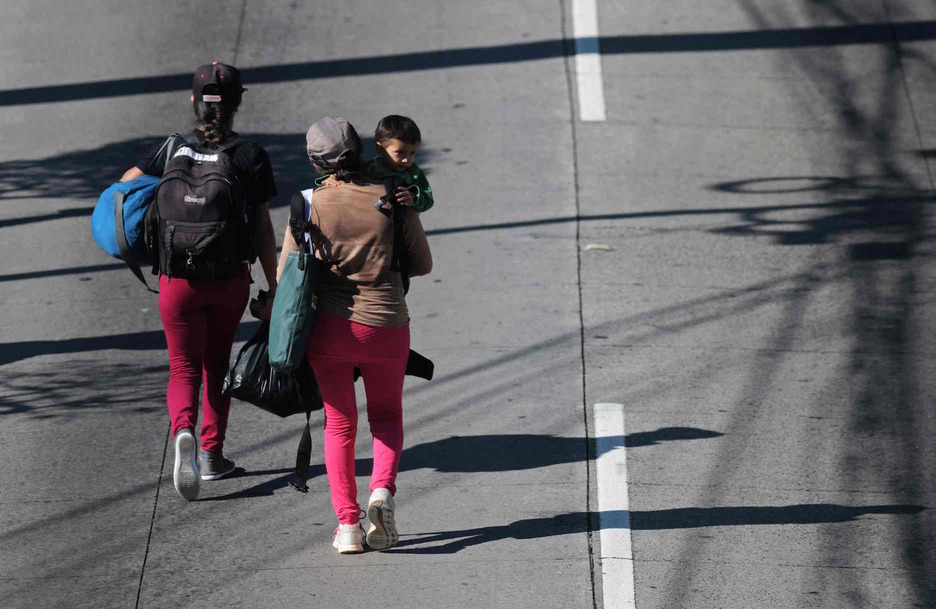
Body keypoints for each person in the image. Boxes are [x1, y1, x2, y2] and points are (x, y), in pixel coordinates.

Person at [119, 62, 279, 501]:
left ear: (194, 101)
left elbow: (123, 188)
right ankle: (211, 455)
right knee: (216, 365)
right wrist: (276, 283)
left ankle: (183, 431)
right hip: (228, 280)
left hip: (177, 281)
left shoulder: (172, 147)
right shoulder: (249, 155)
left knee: (182, 367)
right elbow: (263, 229)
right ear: (236, 104)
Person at [276, 117, 432, 553]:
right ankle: (382, 492)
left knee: (340, 423)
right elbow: (421, 264)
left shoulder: (306, 205)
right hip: (386, 326)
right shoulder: (390, 195)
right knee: (386, 415)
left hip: (330, 331)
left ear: (313, 161)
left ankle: (347, 525)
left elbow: (286, 274)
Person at [361, 114, 434, 213]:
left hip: (404, 225)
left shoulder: (414, 172)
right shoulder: (368, 169)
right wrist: (333, 178)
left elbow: (428, 199)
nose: (406, 160)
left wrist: (414, 198)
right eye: (400, 153)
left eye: (412, 153)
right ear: (380, 148)